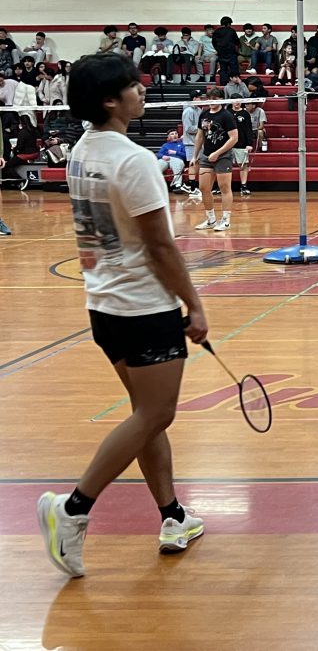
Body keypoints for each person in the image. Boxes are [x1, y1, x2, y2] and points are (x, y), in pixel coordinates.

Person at [38, 52, 209, 579]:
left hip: (103, 306)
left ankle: (173, 515)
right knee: (155, 415)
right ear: (110, 99)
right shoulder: (133, 160)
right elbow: (160, 246)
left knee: (144, 415)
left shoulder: (79, 152)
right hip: (143, 306)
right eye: (133, 86)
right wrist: (195, 304)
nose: (142, 92)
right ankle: (73, 510)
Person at [191, 88, 238, 231]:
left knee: (224, 188)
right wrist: (195, 155)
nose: (212, 100)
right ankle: (211, 219)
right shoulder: (204, 115)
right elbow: (200, 136)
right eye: (210, 98)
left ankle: (225, 220)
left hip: (223, 156)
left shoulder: (226, 116)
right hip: (206, 155)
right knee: (204, 188)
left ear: (221, 99)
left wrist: (218, 153)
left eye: (215, 98)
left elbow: (234, 138)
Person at [230, 100, 255, 197]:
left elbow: (249, 129)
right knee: (225, 165)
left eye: (239, 101)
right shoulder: (227, 112)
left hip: (241, 144)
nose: (237, 103)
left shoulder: (245, 114)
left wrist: (249, 143)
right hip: (228, 144)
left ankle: (243, 186)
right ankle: (223, 186)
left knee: (243, 165)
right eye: (235, 101)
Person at [212, 17, 240, 85]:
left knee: (223, 70)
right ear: (228, 24)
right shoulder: (231, 31)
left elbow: (213, 42)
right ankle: (235, 84)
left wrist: (218, 50)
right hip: (231, 53)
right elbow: (237, 42)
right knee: (234, 70)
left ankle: (223, 86)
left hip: (221, 53)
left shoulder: (216, 31)